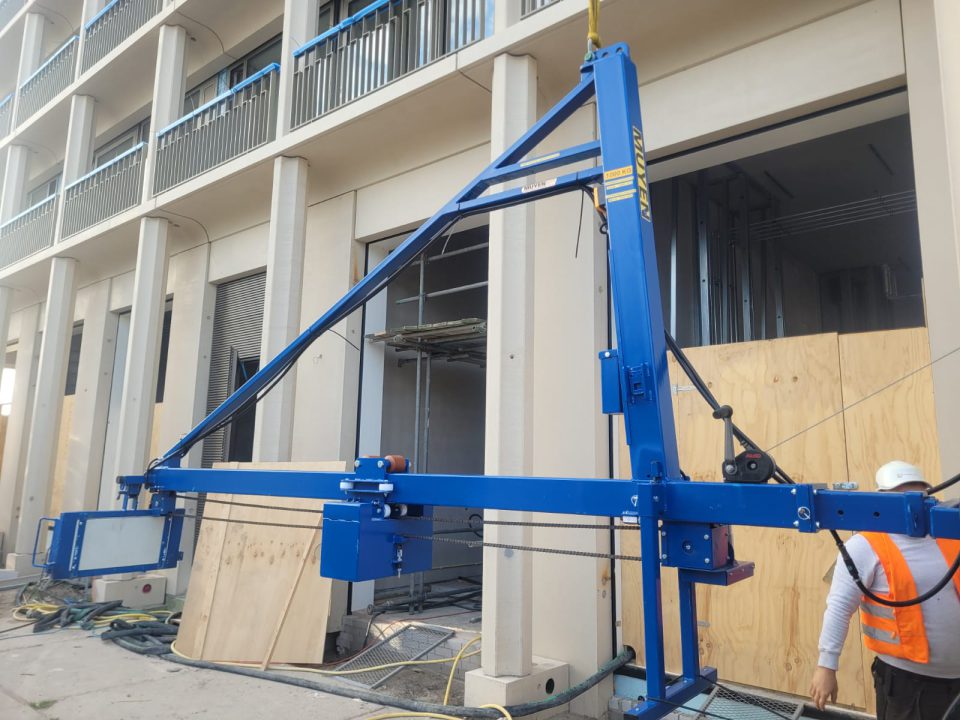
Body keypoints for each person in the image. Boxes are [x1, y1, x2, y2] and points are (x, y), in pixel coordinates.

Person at [810, 460, 960, 719]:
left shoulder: (949, 534)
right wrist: (826, 666)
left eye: (918, 494)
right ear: (882, 498)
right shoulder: (864, 546)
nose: (912, 503)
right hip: (909, 685)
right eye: (901, 494)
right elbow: (838, 608)